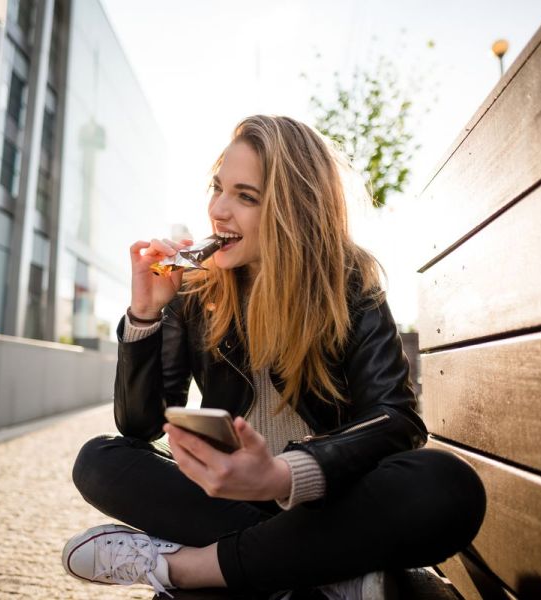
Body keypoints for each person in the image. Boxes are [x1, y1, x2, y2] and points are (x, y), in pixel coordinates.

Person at [62, 115, 486, 599]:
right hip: (227, 503)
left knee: (448, 484)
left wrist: (281, 475)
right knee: (99, 460)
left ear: (294, 209)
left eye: (246, 197)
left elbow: (396, 421)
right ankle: (326, 575)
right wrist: (144, 316)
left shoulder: (350, 285)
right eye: (218, 188)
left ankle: (188, 569)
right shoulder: (194, 293)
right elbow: (140, 427)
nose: (219, 210)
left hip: (327, 502)